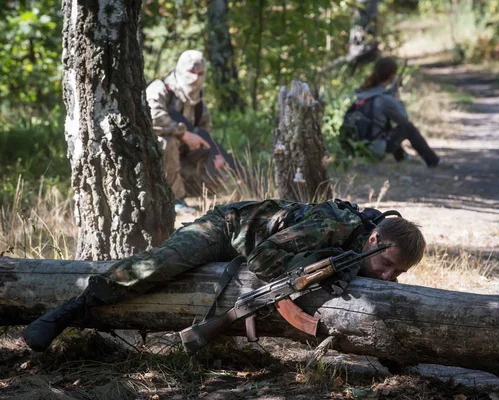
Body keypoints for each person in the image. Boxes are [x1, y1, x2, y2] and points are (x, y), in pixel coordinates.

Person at [23, 199, 427, 352]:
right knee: (159, 266)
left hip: (248, 241)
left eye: (397, 273)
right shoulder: (333, 226)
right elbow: (265, 256)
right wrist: (296, 281)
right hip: (227, 229)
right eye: (387, 266)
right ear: (373, 239)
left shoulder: (366, 250)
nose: (389, 278)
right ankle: (71, 308)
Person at [146, 50, 233, 214]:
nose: (196, 77)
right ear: (180, 70)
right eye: (191, 72)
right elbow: (153, 116)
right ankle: (173, 199)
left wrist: (213, 154)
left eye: (200, 73)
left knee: (219, 175)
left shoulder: (199, 104)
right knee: (167, 141)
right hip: (154, 161)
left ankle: (188, 192)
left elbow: (205, 132)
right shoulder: (159, 89)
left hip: (183, 159)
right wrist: (184, 134)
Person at [343, 57, 441, 167]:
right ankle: (434, 161)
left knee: (385, 126)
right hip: (373, 150)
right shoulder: (385, 99)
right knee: (407, 127)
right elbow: (403, 118)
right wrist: (396, 98)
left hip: (355, 147)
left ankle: (403, 158)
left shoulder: (363, 92)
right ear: (392, 76)